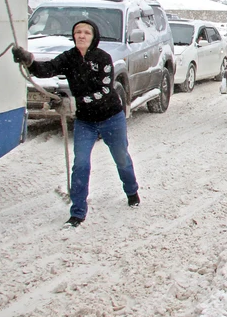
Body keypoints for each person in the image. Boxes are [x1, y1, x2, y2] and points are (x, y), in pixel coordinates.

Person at [12, 20, 140, 228]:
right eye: (78, 32)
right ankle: (78, 212)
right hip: (85, 121)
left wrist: (73, 102)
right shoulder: (69, 58)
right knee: (80, 164)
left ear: (93, 36)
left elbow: (105, 91)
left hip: (111, 118)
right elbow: (45, 70)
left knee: (121, 158)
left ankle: (132, 190)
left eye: (86, 32)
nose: (81, 35)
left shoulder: (103, 59)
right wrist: (29, 61)